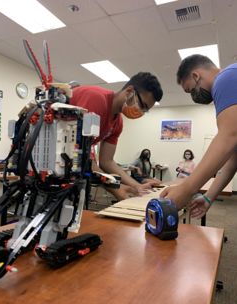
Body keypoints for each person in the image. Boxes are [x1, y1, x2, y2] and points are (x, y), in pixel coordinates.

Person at [160, 54, 237, 217]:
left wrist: (186, 189)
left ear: (196, 76)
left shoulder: (225, 78)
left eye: (190, 90)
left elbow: (229, 136)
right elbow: (233, 158)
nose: (193, 96)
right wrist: (208, 197)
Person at [69, 72, 163, 200]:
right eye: (142, 105)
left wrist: (137, 187)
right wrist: (115, 187)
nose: (141, 112)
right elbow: (77, 153)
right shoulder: (97, 100)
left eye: (145, 110)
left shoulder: (117, 123)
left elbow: (106, 161)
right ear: (129, 91)